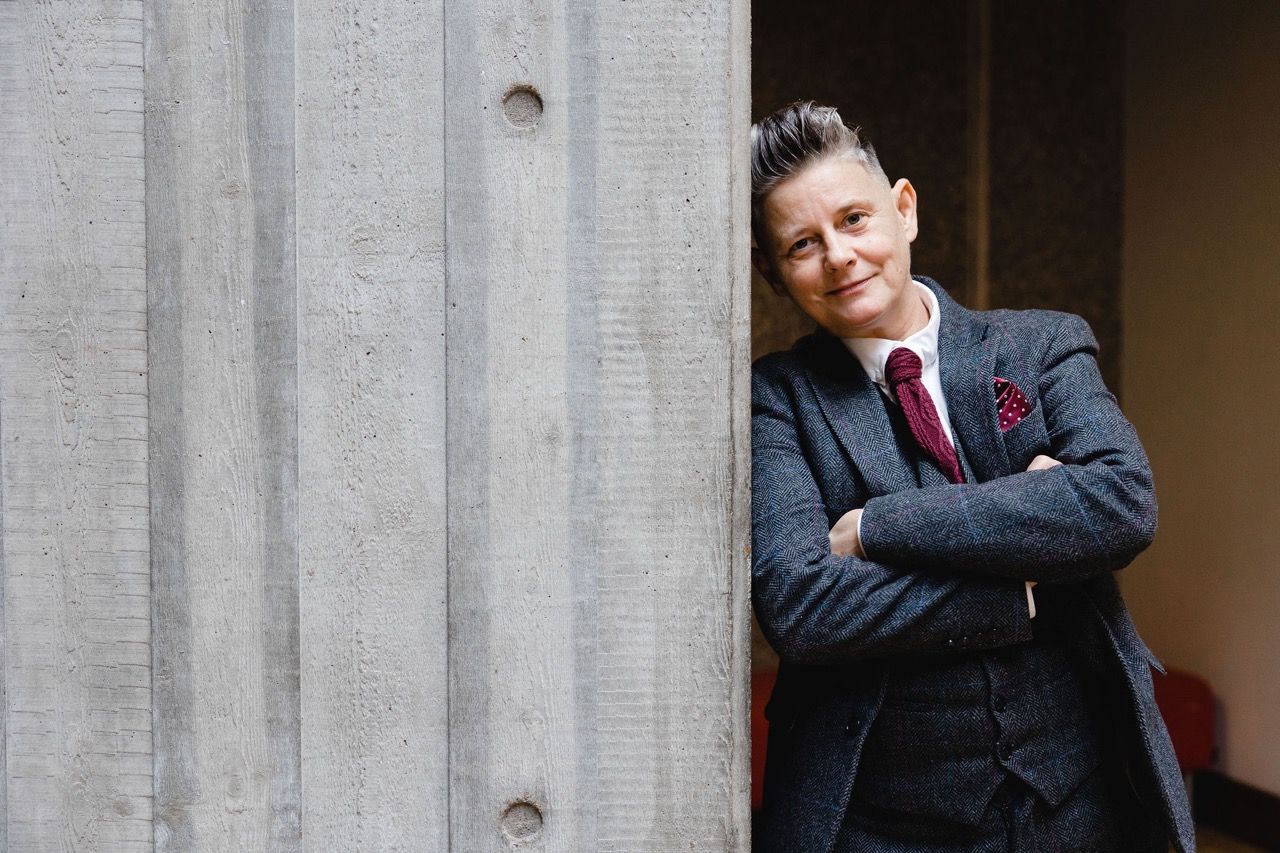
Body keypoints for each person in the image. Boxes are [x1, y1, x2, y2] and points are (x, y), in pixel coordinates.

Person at [749, 101, 1195, 852]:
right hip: (877, 822)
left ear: (905, 210)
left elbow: (1121, 503)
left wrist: (875, 527)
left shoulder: (1042, 343)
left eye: (853, 219)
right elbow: (802, 604)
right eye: (802, 243)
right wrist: (1021, 576)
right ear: (776, 274)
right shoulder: (777, 397)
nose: (838, 256)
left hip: (1076, 799)